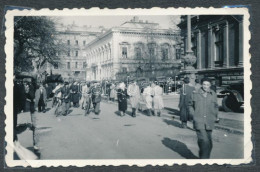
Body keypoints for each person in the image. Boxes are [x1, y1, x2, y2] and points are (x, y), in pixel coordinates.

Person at [188, 77, 218, 159]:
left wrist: (216, 116)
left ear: (210, 85)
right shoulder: (195, 93)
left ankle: (203, 157)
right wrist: (193, 116)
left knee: (209, 143)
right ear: (202, 84)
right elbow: (190, 105)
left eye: (207, 85)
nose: (205, 86)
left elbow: (215, 106)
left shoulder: (213, 94)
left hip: (209, 121)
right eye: (204, 84)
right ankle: (204, 162)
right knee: (205, 141)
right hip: (199, 121)